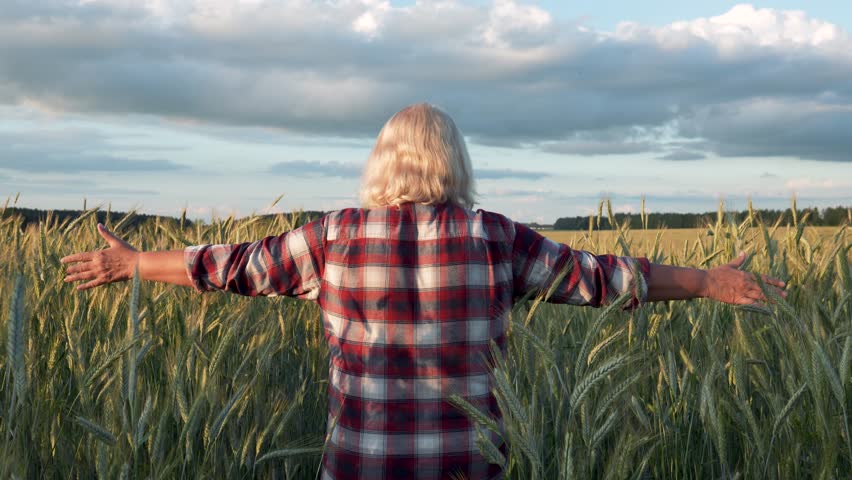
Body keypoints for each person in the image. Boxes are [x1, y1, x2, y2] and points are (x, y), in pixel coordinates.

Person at [61, 103, 786, 480]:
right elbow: (604, 279)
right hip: (470, 467)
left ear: (381, 164)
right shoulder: (497, 238)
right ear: (456, 163)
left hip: (359, 468)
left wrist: (133, 265)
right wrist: (708, 281)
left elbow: (230, 264)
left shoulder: (334, 237)